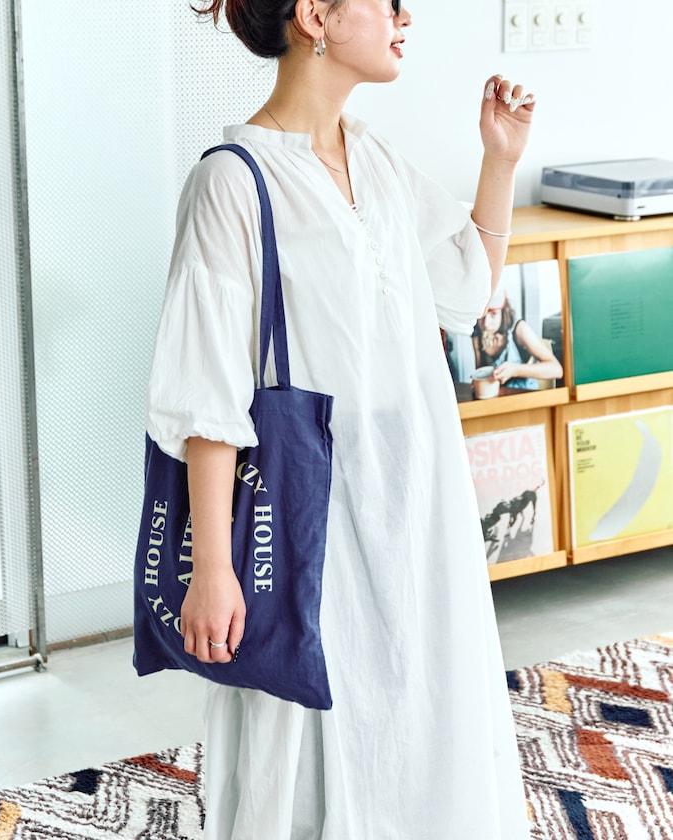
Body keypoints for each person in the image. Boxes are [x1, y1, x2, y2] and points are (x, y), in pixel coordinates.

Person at [145, 0, 537, 836]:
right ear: (316, 15)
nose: (405, 15)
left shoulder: (377, 161)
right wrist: (212, 569)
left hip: (413, 499)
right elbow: (206, 393)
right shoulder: (232, 182)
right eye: (385, 0)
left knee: (423, 701)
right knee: (311, 724)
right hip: (307, 517)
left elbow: (467, 292)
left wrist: (500, 160)